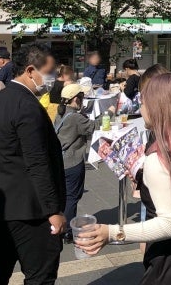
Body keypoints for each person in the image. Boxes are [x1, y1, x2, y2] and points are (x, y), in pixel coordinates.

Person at [77, 73, 171, 285]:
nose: (141, 109)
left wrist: (112, 232)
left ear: (159, 108)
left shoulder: (158, 159)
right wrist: (144, 178)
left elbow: (170, 223)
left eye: (144, 102)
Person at [0, 44, 66, 285]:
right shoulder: (27, 106)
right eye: (49, 72)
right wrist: (53, 211)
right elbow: (37, 162)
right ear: (29, 70)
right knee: (40, 275)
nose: (52, 78)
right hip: (29, 209)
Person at [54, 81, 95, 242]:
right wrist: (110, 112)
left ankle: (61, 224)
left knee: (63, 196)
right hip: (73, 162)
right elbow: (93, 127)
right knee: (72, 196)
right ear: (75, 99)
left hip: (60, 161)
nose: (83, 99)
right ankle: (68, 230)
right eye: (82, 96)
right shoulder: (76, 118)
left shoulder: (60, 112)